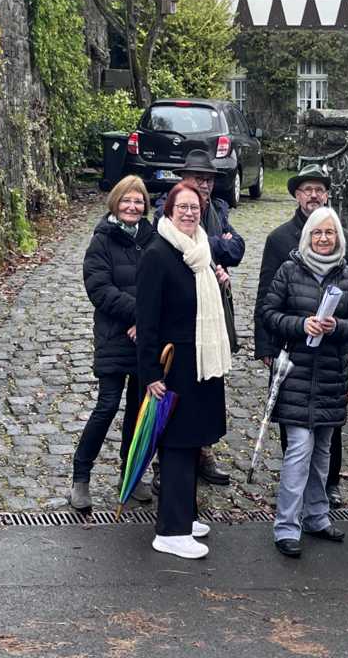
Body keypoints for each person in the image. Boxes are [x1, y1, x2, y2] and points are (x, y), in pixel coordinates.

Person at [259, 206, 348, 559]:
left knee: (322, 452)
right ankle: (286, 526)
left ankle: (317, 516)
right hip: (297, 373)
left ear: (338, 238)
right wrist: (301, 324)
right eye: (317, 232)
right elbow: (269, 313)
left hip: (331, 376)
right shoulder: (289, 271)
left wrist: (338, 328)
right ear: (307, 237)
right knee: (299, 451)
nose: (323, 238)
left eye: (329, 233)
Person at [136, 180, 231, 560]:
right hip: (173, 367)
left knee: (192, 441)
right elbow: (146, 321)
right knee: (176, 445)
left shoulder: (199, 250)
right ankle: (170, 531)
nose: (190, 213)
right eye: (183, 207)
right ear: (169, 211)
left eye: (195, 207)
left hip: (201, 364)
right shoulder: (157, 254)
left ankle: (185, 516)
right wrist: (150, 374)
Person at [253, 164, 348, 506]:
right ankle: (293, 483)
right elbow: (266, 296)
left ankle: (329, 483)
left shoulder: (341, 236)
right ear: (297, 195)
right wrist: (265, 345)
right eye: (307, 189)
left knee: (330, 421)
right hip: (292, 347)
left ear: (326, 195)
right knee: (292, 418)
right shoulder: (279, 239)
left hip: (330, 351)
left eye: (319, 189)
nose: (314, 195)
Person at [154, 149, 242, 487]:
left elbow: (238, 249)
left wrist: (214, 249)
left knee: (207, 388)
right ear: (184, 180)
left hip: (212, 315)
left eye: (209, 179)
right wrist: (217, 247)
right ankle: (164, 464)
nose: (204, 185)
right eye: (198, 179)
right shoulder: (169, 207)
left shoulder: (218, 209)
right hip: (179, 320)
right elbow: (168, 247)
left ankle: (203, 453)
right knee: (174, 395)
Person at [70, 176, 156, 511]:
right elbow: (99, 289)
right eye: (126, 201)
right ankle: (81, 477)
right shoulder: (102, 239)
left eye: (138, 201)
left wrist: (145, 324)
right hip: (113, 336)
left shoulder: (152, 238)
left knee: (138, 410)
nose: (132, 207)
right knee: (107, 406)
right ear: (116, 203)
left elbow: (160, 285)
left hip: (144, 340)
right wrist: (140, 316)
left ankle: (129, 475)